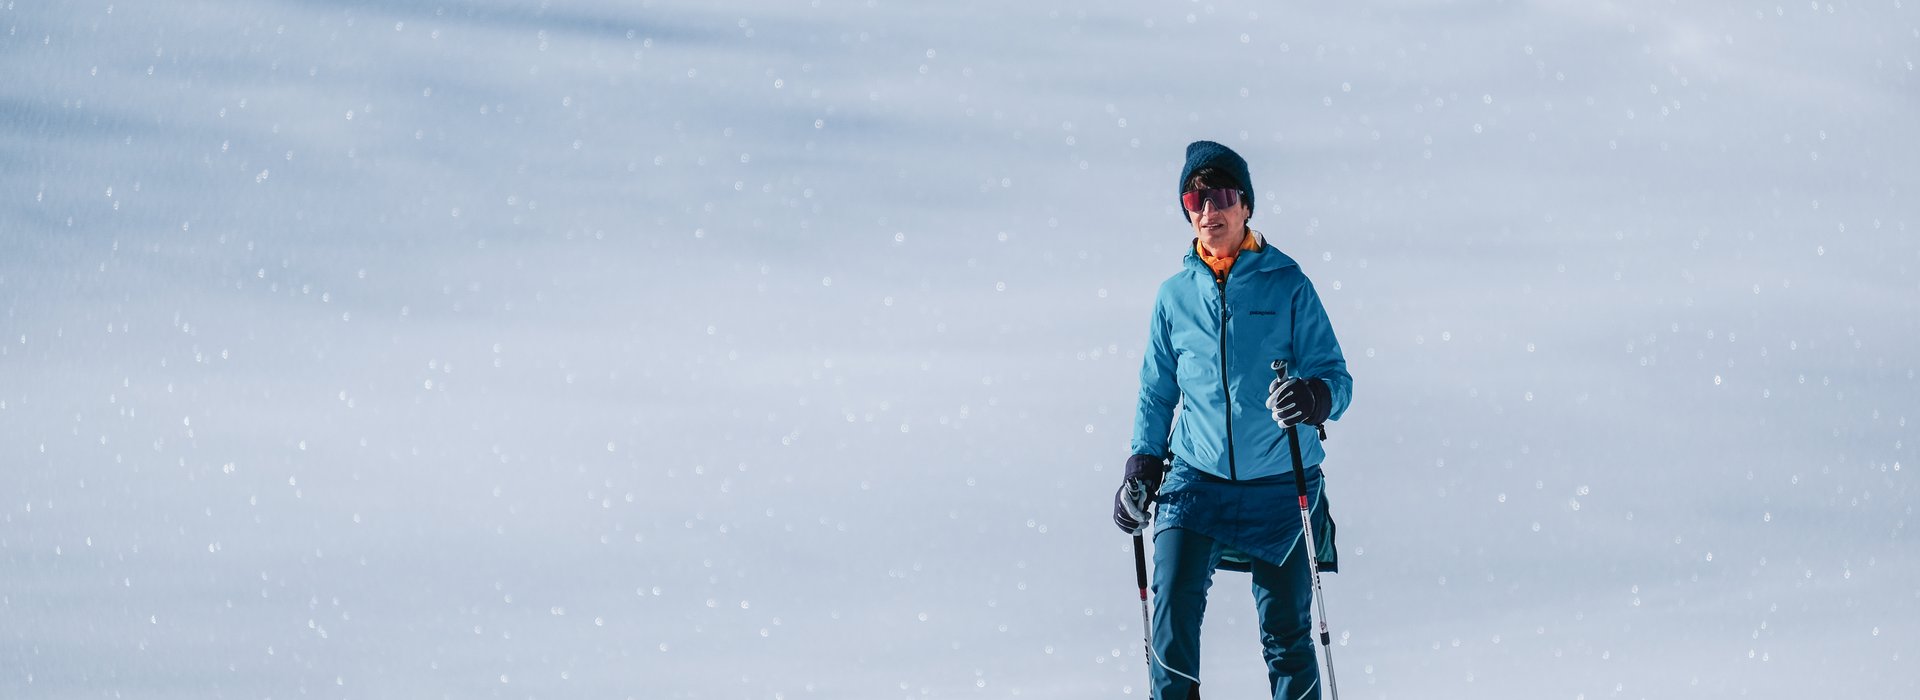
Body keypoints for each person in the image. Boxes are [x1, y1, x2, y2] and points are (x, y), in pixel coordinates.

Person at [1112, 140, 1353, 700]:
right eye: (1195, 198)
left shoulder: (1288, 284)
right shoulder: (1174, 297)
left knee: (1288, 638)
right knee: (1171, 630)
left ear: (1245, 205)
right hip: (1196, 480)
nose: (1207, 209)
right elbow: (1156, 392)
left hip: (1279, 482)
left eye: (1220, 195)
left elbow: (1336, 379)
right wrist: (1142, 466)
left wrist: (1313, 396)